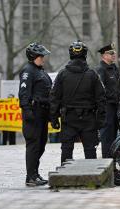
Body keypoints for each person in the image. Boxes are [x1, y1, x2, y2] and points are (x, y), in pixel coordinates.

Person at [50, 40, 106, 163]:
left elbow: (54, 98)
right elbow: (101, 99)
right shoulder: (92, 74)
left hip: (68, 118)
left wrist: (54, 119)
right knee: (90, 150)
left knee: (66, 149)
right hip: (88, 118)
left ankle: (65, 176)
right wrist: (101, 120)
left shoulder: (62, 74)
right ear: (85, 55)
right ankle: (92, 177)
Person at [19, 42, 52, 186]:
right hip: (33, 113)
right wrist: (27, 111)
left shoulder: (40, 70)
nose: (43, 58)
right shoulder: (28, 71)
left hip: (42, 114)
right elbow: (24, 93)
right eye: (41, 55)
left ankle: (35, 173)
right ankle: (30, 177)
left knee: (41, 145)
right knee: (33, 145)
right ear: (33, 56)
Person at [96, 43, 120, 158]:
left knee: (115, 134)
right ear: (103, 56)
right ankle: (107, 159)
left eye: (113, 53)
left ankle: (113, 159)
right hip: (107, 106)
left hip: (116, 105)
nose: (113, 55)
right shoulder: (101, 69)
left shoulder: (114, 68)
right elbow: (101, 89)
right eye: (110, 53)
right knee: (107, 135)